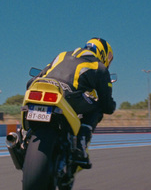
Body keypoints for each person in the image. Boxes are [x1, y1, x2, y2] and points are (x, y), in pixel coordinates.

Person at [27, 37, 116, 169]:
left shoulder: (62, 55)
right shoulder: (99, 67)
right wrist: (110, 104)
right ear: (103, 54)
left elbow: (34, 79)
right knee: (98, 107)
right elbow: (107, 105)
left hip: (39, 88)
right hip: (69, 95)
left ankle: (23, 134)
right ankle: (81, 143)